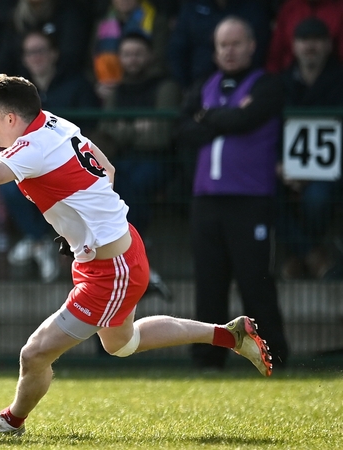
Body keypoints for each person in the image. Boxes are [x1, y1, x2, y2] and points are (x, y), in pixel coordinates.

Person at [0, 73, 274, 436]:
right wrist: (80, 225)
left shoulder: (33, 147)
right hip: (116, 254)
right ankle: (230, 334)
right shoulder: (57, 124)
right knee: (123, 345)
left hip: (111, 269)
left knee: (34, 354)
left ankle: (10, 422)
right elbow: (106, 169)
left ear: (12, 118)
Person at [176, 17, 290, 371]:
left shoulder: (268, 86)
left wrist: (207, 118)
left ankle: (275, 356)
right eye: (222, 44)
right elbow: (184, 129)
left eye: (235, 43)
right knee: (210, 283)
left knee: (255, 282)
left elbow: (246, 120)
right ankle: (208, 358)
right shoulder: (203, 85)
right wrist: (225, 117)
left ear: (252, 46)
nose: (228, 51)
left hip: (250, 199)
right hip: (206, 200)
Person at [1, 29, 99, 282]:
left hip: (69, 164)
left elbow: (92, 126)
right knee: (9, 188)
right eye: (30, 52)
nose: (36, 57)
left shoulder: (77, 85)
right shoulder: (17, 94)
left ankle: (49, 243)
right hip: (32, 163)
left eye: (41, 50)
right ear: (23, 58)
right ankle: (38, 241)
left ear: (54, 54)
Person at [95, 31, 182, 300]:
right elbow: (104, 130)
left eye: (137, 53)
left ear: (150, 55)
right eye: (127, 54)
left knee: (131, 186)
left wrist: (124, 129)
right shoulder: (117, 90)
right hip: (122, 161)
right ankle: (134, 265)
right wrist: (138, 128)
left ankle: (131, 262)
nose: (132, 59)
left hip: (159, 161)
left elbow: (160, 135)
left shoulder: (165, 86)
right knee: (112, 185)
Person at [278, 17, 343, 279]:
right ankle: (312, 255)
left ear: (329, 45)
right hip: (285, 169)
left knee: (317, 200)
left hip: (330, 171)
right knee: (262, 196)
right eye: (304, 41)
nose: (310, 47)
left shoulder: (340, 80)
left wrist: (315, 170)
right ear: (294, 46)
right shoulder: (281, 83)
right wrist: (280, 167)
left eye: (316, 41)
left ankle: (298, 255)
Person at [168, 0, 271, 90]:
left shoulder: (253, 8)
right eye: (224, 45)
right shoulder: (192, 7)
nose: (229, 50)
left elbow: (261, 50)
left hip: (247, 84)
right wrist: (188, 87)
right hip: (198, 83)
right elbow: (177, 51)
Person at [91, 0, 170, 104]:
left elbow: (161, 61)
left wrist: (125, 85)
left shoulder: (157, 21)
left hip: (146, 89)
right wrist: (96, 85)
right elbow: (91, 61)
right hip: (105, 92)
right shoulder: (101, 24)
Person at [0, 0, 92, 80]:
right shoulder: (16, 17)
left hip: (62, 86)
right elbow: (5, 60)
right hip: (23, 89)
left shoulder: (69, 11)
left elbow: (71, 57)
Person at [266, 0, 343, 73]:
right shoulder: (290, 7)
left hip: (332, 76)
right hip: (289, 76)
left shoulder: (338, 8)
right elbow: (276, 53)